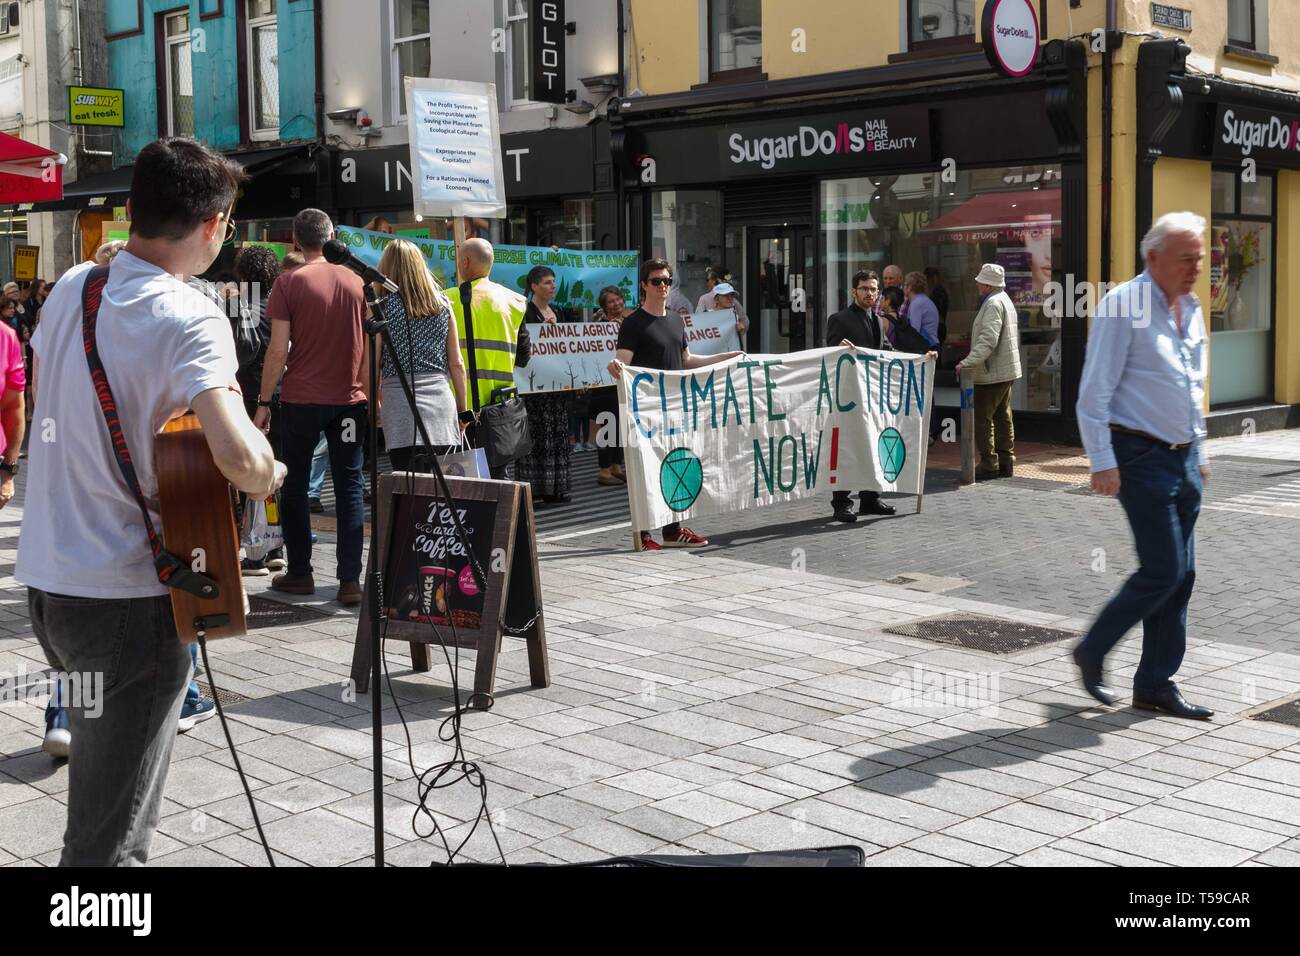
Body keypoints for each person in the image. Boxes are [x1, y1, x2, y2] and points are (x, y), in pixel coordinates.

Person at [14, 137, 284, 865]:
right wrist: (267, 470)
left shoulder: (73, 287)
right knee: (110, 839)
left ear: (132, 212)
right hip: (128, 599)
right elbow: (235, 453)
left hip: (53, 584)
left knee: (103, 800)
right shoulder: (192, 317)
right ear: (216, 225)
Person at [1072, 211, 1213, 720]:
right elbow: (1094, 393)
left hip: (1184, 458)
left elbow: (1191, 384)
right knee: (1163, 569)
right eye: (1186, 258)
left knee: (1184, 574)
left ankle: (1155, 683)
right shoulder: (1124, 306)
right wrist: (1102, 462)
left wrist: (1201, 447)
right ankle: (1093, 648)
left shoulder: (1192, 306)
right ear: (1152, 258)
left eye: (1200, 257)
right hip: (1139, 456)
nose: (1196, 267)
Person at [254, 208, 367, 607]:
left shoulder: (288, 282)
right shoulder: (357, 280)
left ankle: (300, 571)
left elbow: (277, 348)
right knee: (350, 485)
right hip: (349, 399)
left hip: (301, 397)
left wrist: (264, 401)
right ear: (332, 235)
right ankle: (350, 579)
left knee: (296, 485)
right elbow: (366, 345)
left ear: (296, 242)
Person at [607, 258, 743, 550]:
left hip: (674, 408)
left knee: (674, 466)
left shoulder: (675, 320)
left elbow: (687, 360)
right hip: (644, 411)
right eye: (656, 281)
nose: (663, 286)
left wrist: (727, 357)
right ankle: (644, 534)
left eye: (667, 281)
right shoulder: (633, 323)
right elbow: (623, 363)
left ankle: (672, 531)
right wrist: (615, 367)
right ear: (644, 285)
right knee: (645, 468)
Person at [374, 238, 467, 471]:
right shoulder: (443, 305)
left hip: (398, 402)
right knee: (444, 484)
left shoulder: (380, 308)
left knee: (408, 482)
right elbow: (456, 363)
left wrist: (374, 408)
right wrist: (462, 409)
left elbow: (372, 365)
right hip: (440, 401)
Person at [448, 237, 530, 480]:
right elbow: (524, 356)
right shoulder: (515, 301)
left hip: (457, 407)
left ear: (464, 262)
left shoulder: (444, 299)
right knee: (498, 479)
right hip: (500, 408)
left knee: (460, 480)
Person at [824, 270, 897, 523]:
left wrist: (921, 359)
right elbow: (832, 356)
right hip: (848, 398)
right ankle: (842, 503)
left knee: (872, 446)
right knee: (847, 448)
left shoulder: (878, 320)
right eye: (864, 288)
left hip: (872, 397)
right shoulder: (839, 319)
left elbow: (888, 352)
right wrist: (839, 349)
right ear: (854, 291)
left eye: (873, 289)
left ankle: (869, 498)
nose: (869, 293)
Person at [232, 244, 285, 575]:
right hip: (283, 395)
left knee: (249, 470)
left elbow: (240, 354)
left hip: (249, 396)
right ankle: (276, 546)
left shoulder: (242, 304)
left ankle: (254, 553)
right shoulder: (282, 304)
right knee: (276, 471)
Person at [955, 264, 1022, 480]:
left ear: (987, 283)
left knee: (983, 419)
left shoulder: (992, 303)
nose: (976, 283)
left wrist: (968, 362)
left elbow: (988, 339)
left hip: (991, 372)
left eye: (979, 281)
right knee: (1003, 416)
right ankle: (1006, 461)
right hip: (1006, 370)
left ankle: (989, 463)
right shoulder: (1004, 299)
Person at [518, 265, 574, 503]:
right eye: (547, 282)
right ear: (533, 286)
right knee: (536, 435)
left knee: (558, 434)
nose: (553, 286)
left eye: (554, 282)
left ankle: (556, 487)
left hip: (556, 385)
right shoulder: (524, 312)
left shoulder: (559, 313)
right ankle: (536, 489)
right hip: (533, 388)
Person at [591, 286, 627, 486]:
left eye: (618, 299)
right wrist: (608, 329)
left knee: (621, 426)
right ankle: (603, 471)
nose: (617, 304)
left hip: (622, 383)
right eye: (611, 302)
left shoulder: (627, 323)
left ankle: (615, 466)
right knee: (607, 425)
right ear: (604, 307)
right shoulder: (599, 325)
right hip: (604, 385)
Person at [902, 271, 941, 349]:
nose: (903, 287)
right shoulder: (925, 300)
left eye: (905, 285)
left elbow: (914, 331)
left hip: (927, 346)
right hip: (932, 343)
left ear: (909, 288)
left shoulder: (916, 303)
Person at [925, 266, 950, 343]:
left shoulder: (938, 292)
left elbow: (939, 310)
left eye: (927, 279)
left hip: (938, 326)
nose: (926, 282)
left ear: (934, 278)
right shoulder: (937, 291)